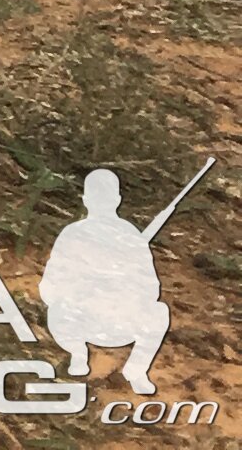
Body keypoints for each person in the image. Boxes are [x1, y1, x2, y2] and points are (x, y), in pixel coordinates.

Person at [41, 169, 172, 395]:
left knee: (158, 311)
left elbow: (150, 288)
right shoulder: (75, 234)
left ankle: (135, 371)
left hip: (116, 321)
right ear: (117, 200)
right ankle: (79, 354)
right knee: (58, 309)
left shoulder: (127, 236)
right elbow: (52, 286)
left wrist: (118, 291)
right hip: (85, 319)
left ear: (85, 200)